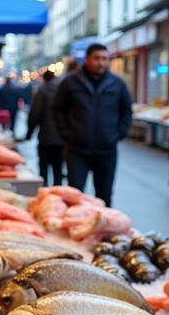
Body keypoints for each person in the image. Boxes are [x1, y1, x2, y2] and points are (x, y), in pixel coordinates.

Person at [51, 43, 132, 202]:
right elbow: (57, 109)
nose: (101, 62)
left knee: (105, 197)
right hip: (77, 151)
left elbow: (126, 110)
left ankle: (104, 227)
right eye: (97, 58)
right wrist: (67, 134)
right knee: (75, 197)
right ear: (87, 59)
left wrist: (119, 134)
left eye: (104, 59)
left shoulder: (117, 84)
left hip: (106, 151)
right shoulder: (70, 82)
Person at [26, 64, 71, 186]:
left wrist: (29, 133)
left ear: (44, 78)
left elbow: (35, 114)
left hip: (46, 137)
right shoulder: (65, 89)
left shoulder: (43, 90)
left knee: (44, 169)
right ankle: (57, 195)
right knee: (58, 169)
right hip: (62, 138)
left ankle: (45, 192)